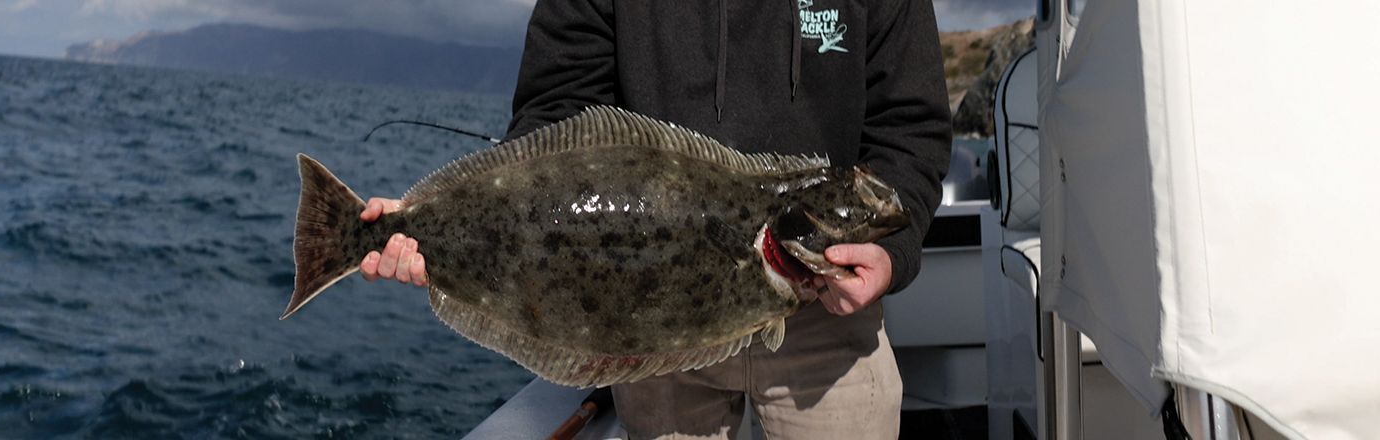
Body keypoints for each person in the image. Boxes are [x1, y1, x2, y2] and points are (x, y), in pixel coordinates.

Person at [359, 0, 950, 438]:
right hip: (645, 324)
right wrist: (435, 226)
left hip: (828, 323)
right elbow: (556, 116)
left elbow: (911, 131)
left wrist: (890, 257)